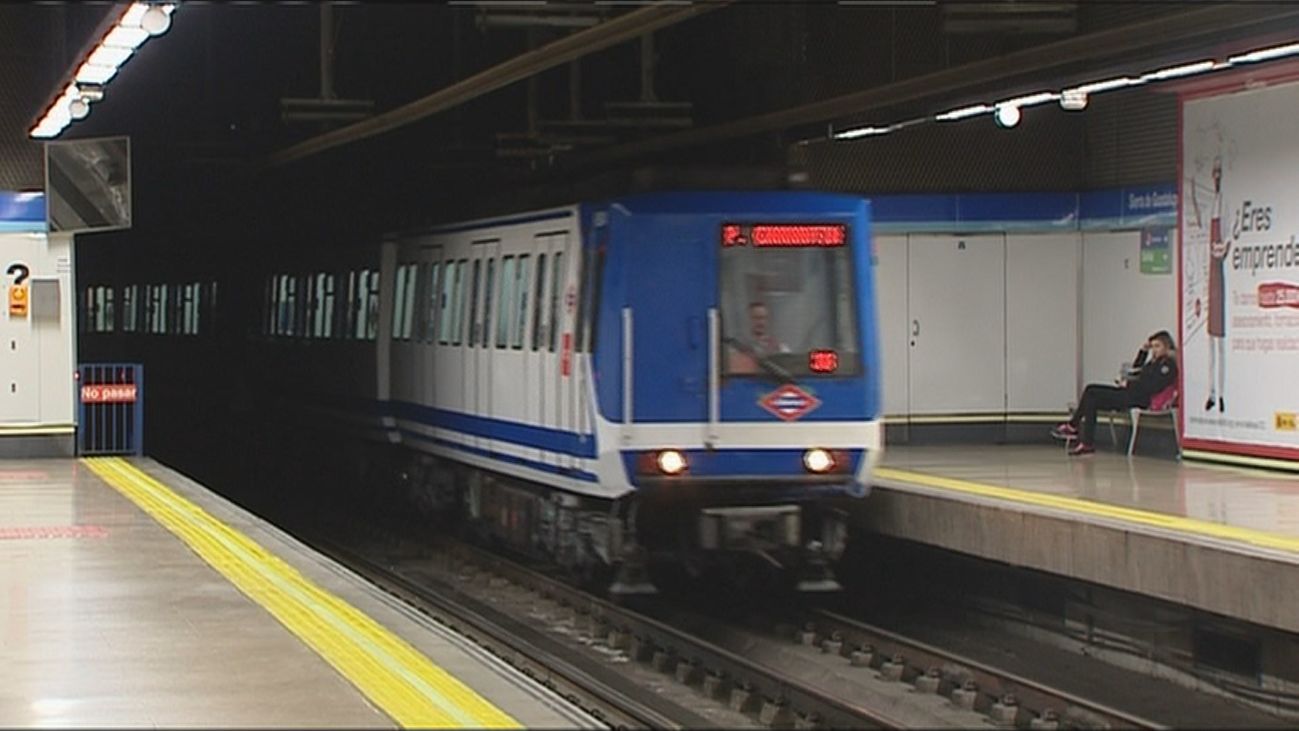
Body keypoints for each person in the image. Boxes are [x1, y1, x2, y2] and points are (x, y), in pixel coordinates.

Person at [1051, 331, 1178, 456]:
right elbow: (1136, 369)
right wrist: (1143, 351)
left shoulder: (1167, 366)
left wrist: (1129, 384)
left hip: (1139, 398)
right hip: (1130, 394)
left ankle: (1073, 427)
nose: (1154, 350)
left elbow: (1152, 387)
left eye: (1158, 346)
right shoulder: (1153, 363)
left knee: (1091, 391)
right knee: (1091, 399)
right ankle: (1086, 442)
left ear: (1167, 347)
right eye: (1153, 347)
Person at [1205, 157, 1229, 412]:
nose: (1216, 177)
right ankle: (1211, 392)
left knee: (1220, 343)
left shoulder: (1226, 202)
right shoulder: (1210, 203)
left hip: (1220, 277)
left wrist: (1223, 249)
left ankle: (1221, 393)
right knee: (1210, 343)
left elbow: (1231, 236)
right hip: (1211, 276)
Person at [727, 301, 790, 374]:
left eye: (763, 318)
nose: (761, 322)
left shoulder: (780, 348)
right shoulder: (736, 348)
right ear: (748, 320)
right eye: (756, 318)